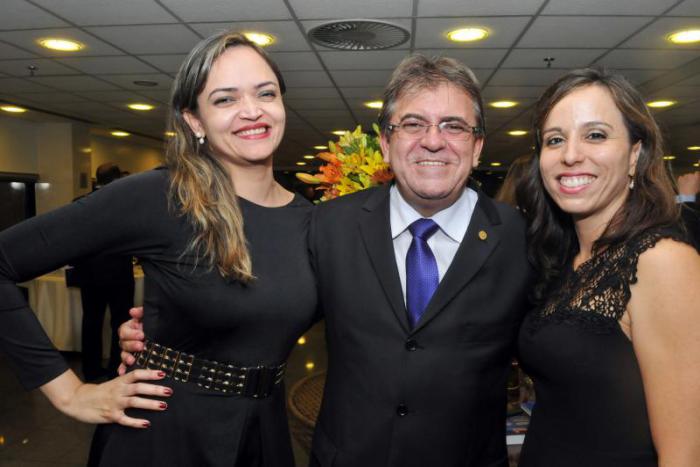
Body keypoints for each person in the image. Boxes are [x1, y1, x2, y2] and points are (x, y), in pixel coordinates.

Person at [120, 54, 534, 466]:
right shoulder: (329, 224)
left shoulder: (521, 239)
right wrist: (166, 338)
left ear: (477, 147)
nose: (433, 141)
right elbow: (266, 308)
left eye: (454, 126)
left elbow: (555, 343)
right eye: (412, 124)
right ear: (386, 143)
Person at [0, 30, 317, 467]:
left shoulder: (311, 219)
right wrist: (68, 392)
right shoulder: (161, 196)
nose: (252, 110)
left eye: (266, 93)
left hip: (265, 431)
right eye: (225, 99)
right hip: (166, 431)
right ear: (194, 121)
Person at [516, 68, 700, 466]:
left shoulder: (662, 260)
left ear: (635, 154)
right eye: (555, 140)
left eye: (595, 135)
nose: (570, 154)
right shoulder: (566, 258)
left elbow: (685, 454)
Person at [72, 162, 135, 381]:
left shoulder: (79, 203)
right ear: (117, 179)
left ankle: (90, 369)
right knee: (120, 323)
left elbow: (72, 241)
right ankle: (116, 368)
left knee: (91, 321)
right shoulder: (126, 205)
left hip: (90, 276)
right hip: (119, 275)